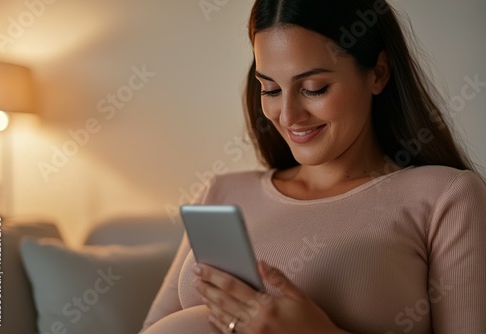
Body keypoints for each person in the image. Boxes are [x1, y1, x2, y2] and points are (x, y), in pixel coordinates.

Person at [140, 0, 486, 333]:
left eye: (314, 88)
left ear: (378, 73)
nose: (288, 116)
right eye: (271, 89)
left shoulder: (447, 197)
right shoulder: (222, 193)